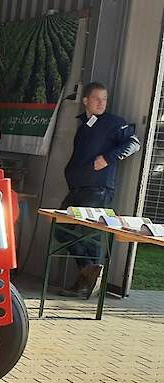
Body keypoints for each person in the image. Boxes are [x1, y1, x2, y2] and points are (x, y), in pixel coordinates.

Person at [58, 82, 140, 298]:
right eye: (97, 99)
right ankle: (88, 273)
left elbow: (133, 143)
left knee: (89, 235)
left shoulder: (113, 123)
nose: (101, 103)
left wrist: (108, 158)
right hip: (77, 188)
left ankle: (87, 279)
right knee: (61, 231)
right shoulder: (85, 124)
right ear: (85, 100)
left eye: (104, 99)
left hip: (97, 189)